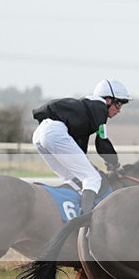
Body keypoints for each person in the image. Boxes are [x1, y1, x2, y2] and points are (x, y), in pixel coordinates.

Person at [32, 79, 131, 214]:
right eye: (119, 104)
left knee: (73, 177)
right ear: (108, 100)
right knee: (93, 178)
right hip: (54, 133)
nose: (119, 110)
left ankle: (68, 211)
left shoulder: (88, 109)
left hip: (39, 135)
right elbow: (102, 142)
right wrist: (115, 164)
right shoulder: (100, 108)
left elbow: (79, 146)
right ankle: (84, 220)